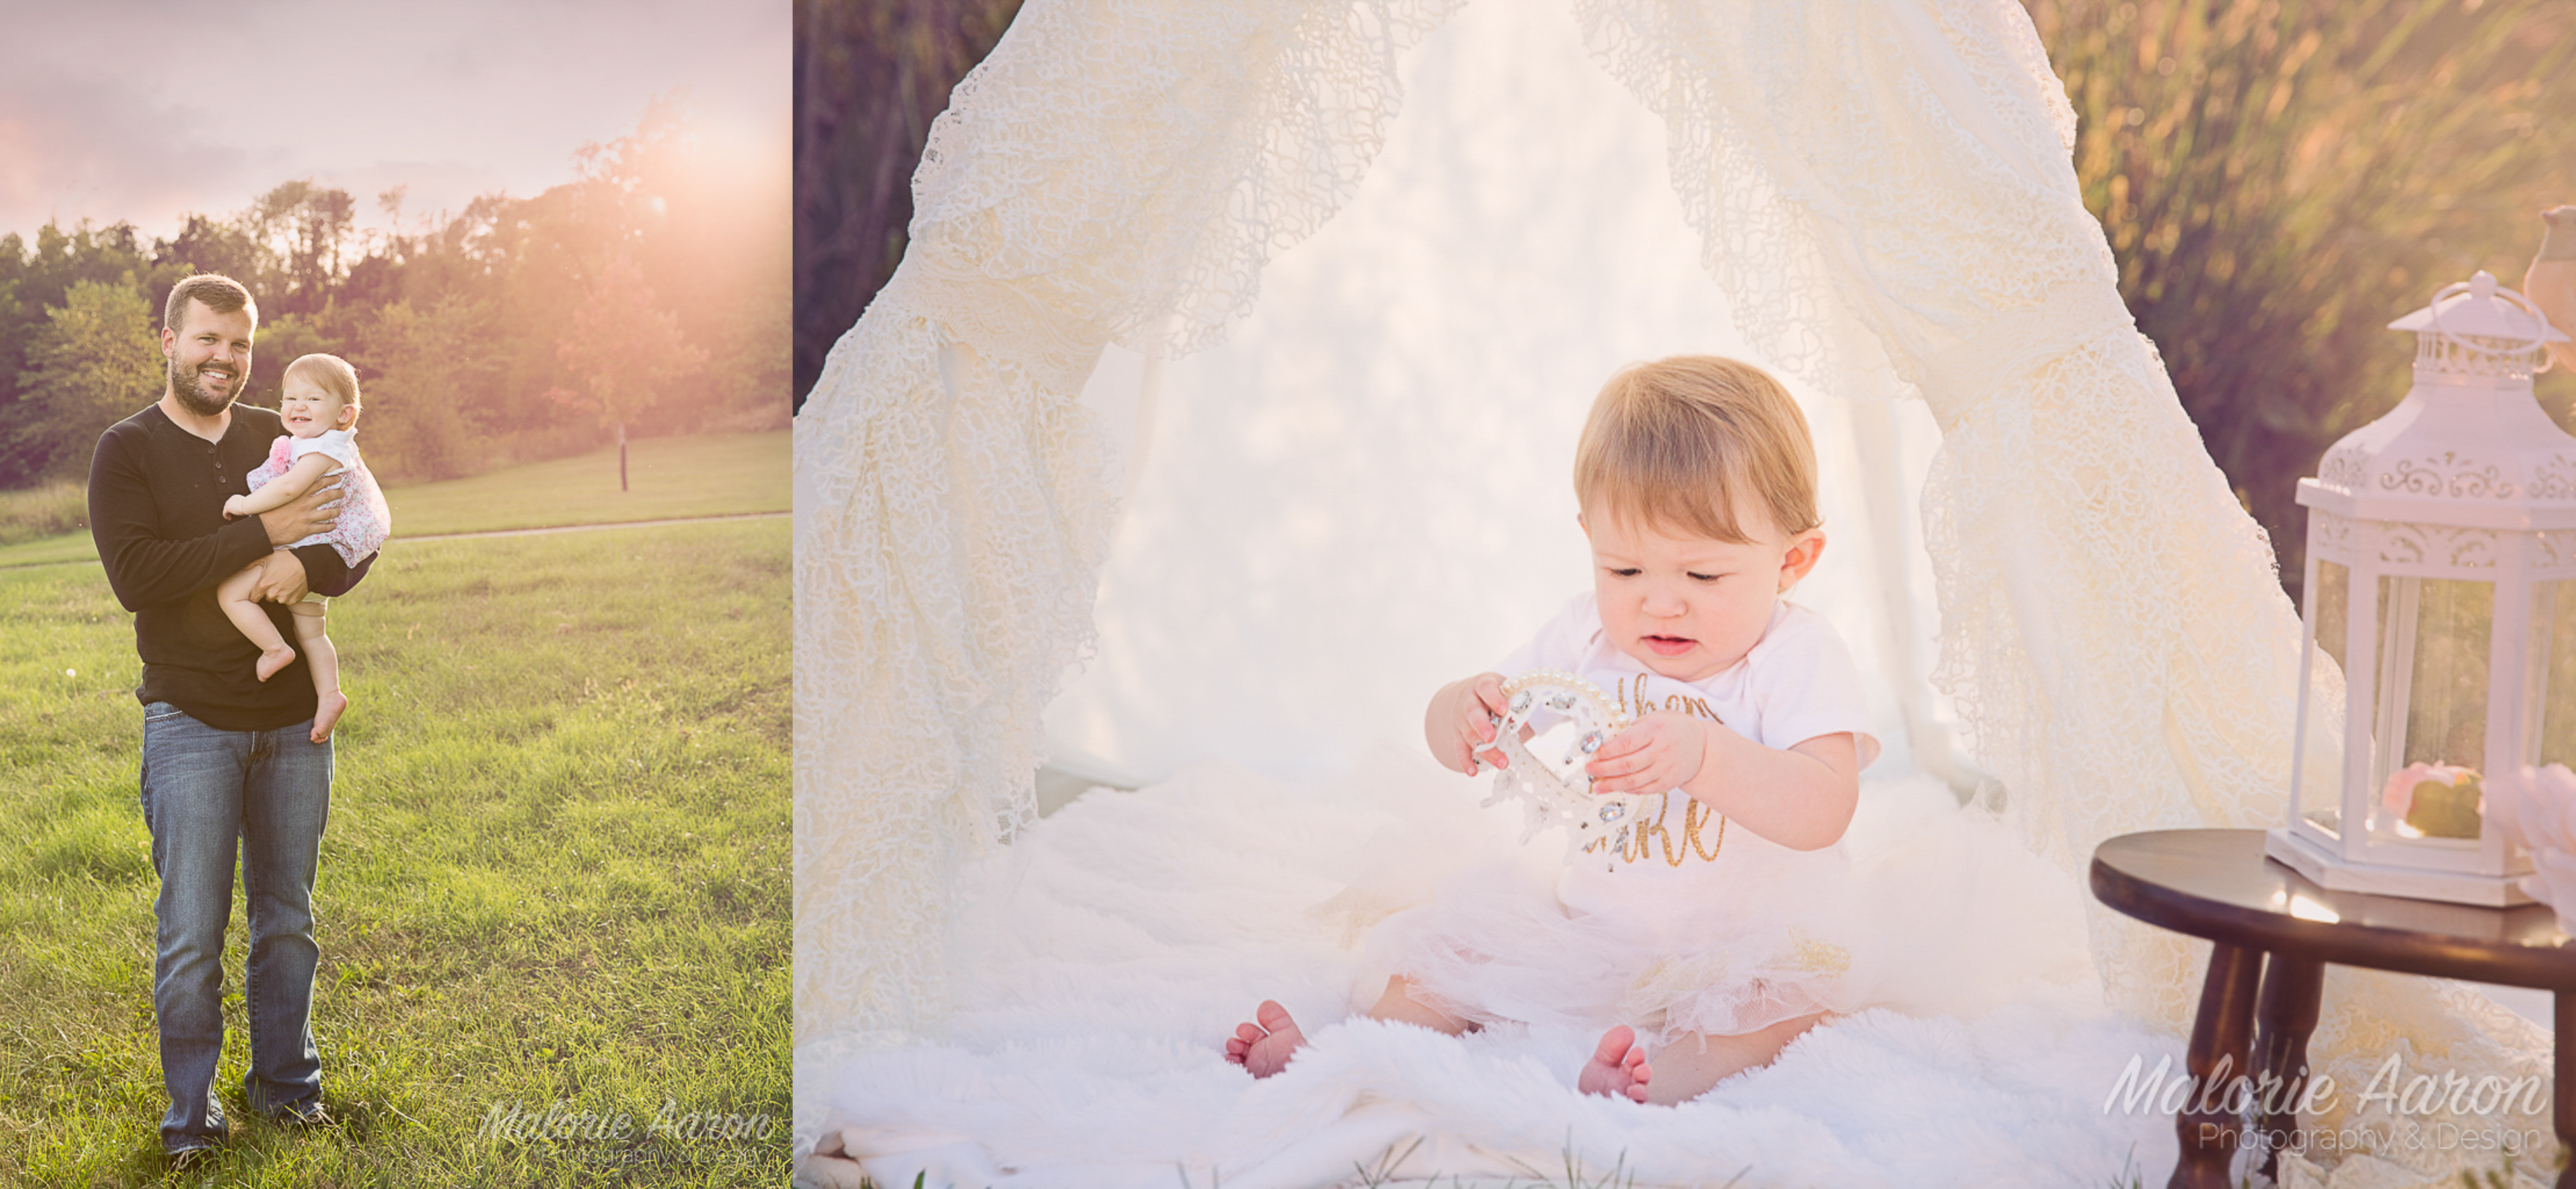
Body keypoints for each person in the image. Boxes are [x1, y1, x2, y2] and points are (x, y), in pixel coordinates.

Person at [1225, 355, 1880, 1106]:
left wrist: (1707, 756)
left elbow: (1826, 807)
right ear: (1589, 539)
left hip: (1744, 947)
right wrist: (1461, 711)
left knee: (1781, 1008)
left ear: (1793, 559)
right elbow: (1470, 737)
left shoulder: (1796, 655)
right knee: (1448, 947)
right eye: (1625, 571)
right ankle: (1349, 1055)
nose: (1660, 605)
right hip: (1598, 935)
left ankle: (1658, 1084)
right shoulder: (1585, 637)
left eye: (1702, 577)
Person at [87, 273, 372, 1167]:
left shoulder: (279, 430)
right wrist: (263, 539)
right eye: (209, 339)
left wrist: (315, 570)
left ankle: (289, 1092)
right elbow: (142, 576)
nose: (227, 358)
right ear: (168, 341)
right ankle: (191, 1120)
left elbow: (359, 520)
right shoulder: (126, 450)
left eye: (242, 343)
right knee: (191, 932)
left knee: (287, 919)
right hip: (190, 721)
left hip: (293, 723)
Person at [215, 353, 391, 744]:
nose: (297, 407)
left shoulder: (326, 448)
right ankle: (330, 694)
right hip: (313, 555)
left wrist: (242, 504)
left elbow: (291, 488)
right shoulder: (315, 443)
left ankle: (275, 649)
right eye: (290, 398)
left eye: (313, 399)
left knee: (230, 594)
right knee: (313, 633)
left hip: (309, 549)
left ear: (345, 414)